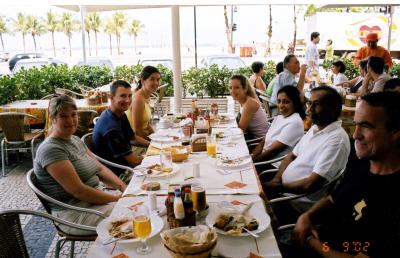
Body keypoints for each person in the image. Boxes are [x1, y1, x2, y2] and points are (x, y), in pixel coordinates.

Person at [291, 91, 400, 258]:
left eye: (366, 126)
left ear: (395, 132)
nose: (355, 135)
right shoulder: (360, 161)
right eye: (356, 125)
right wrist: (307, 216)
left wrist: (311, 242)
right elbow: (333, 198)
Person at [34, 95, 127, 235]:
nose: (70, 120)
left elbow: (100, 168)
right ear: (53, 119)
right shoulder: (51, 149)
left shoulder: (75, 140)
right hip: (74, 213)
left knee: (138, 205)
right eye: (63, 116)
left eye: (73, 115)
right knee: (133, 214)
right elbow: (78, 191)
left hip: (94, 202)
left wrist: (123, 187)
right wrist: (117, 199)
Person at [264, 86, 350, 212]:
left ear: (333, 109)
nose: (309, 109)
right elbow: (291, 156)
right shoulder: (315, 128)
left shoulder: (337, 140)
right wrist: (276, 180)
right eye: (309, 103)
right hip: (283, 189)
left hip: (295, 202)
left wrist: (278, 187)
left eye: (316, 104)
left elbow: (311, 184)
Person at [92, 80, 149, 177]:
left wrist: (152, 145)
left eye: (130, 96)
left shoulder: (119, 113)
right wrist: (152, 156)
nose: (127, 100)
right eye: (123, 96)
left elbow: (133, 137)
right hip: (119, 173)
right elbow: (134, 161)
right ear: (111, 97)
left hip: (126, 164)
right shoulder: (111, 127)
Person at [252, 86, 305, 163]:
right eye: (279, 101)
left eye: (286, 102)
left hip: (272, 165)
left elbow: (273, 150)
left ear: (295, 103)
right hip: (263, 158)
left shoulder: (295, 122)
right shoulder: (280, 117)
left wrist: (254, 162)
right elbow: (263, 141)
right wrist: (252, 157)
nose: (281, 105)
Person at [230, 74, 269, 139]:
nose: (232, 91)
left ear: (245, 89)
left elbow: (241, 130)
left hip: (258, 142)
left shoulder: (249, 104)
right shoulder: (243, 100)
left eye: (237, 87)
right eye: (231, 88)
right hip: (251, 137)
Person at [127, 66, 160, 140]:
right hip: (137, 144)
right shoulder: (138, 100)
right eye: (152, 79)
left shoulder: (146, 96)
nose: (156, 83)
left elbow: (146, 124)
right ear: (142, 81)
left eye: (158, 80)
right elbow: (137, 132)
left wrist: (157, 138)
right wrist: (153, 142)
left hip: (145, 138)